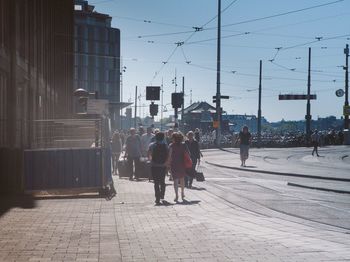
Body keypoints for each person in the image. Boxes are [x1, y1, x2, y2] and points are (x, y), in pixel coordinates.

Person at [148, 132, 168, 205]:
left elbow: (149, 155)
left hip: (154, 166)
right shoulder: (165, 145)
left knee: (156, 182)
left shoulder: (152, 145)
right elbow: (168, 155)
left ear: (155, 137)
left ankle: (157, 198)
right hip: (163, 166)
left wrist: (151, 161)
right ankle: (162, 195)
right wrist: (166, 163)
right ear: (163, 138)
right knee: (162, 181)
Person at [167, 132, 187, 202]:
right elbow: (186, 154)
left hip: (174, 164)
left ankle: (176, 196)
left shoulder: (171, 146)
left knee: (175, 181)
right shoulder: (183, 145)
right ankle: (182, 192)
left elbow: (169, 156)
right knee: (182, 179)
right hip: (182, 164)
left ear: (174, 138)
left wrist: (168, 165)